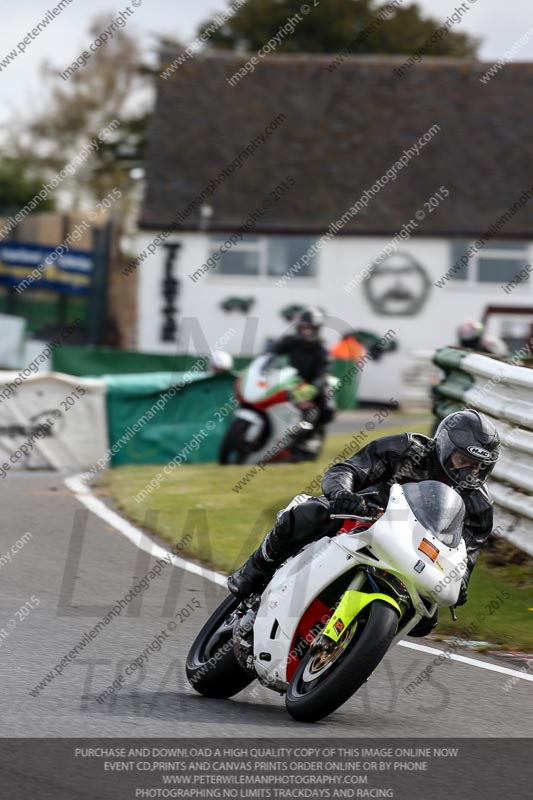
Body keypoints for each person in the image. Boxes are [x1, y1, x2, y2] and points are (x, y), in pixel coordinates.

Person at [228, 409, 500, 635]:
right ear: (444, 447)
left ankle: (354, 642)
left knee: (426, 621)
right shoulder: (407, 449)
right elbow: (348, 469)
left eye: (479, 467)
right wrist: (343, 494)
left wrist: (460, 583)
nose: (470, 472)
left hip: (416, 553)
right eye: (463, 460)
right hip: (365, 517)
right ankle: (254, 571)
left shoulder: (479, 506)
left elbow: (467, 556)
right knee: (311, 514)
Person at [266, 307, 336, 455]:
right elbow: (273, 353)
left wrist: (315, 386)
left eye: (309, 328)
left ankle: (307, 438)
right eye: (303, 328)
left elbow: (323, 372)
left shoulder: (321, 349)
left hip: (310, 385)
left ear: (316, 329)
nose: (305, 331)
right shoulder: (291, 342)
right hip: (290, 381)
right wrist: (265, 365)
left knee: (322, 403)